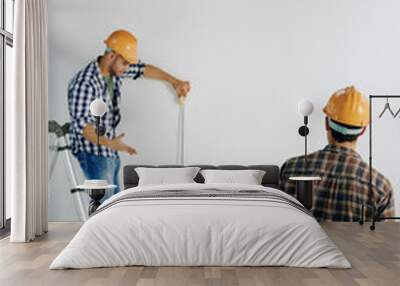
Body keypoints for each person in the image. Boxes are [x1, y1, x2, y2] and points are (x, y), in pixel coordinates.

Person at [68, 30, 190, 196]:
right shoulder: (84, 83)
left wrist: (175, 82)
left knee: (115, 203)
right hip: (93, 152)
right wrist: (113, 144)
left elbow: (143, 70)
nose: (127, 68)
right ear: (111, 56)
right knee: (105, 206)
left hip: (109, 148)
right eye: (125, 63)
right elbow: (84, 128)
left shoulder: (114, 70)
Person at [280, 86, 394, 221]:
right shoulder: (380, 186)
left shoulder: (291, 169)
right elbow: (386, 239)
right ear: (363, 131)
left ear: (326, 124)